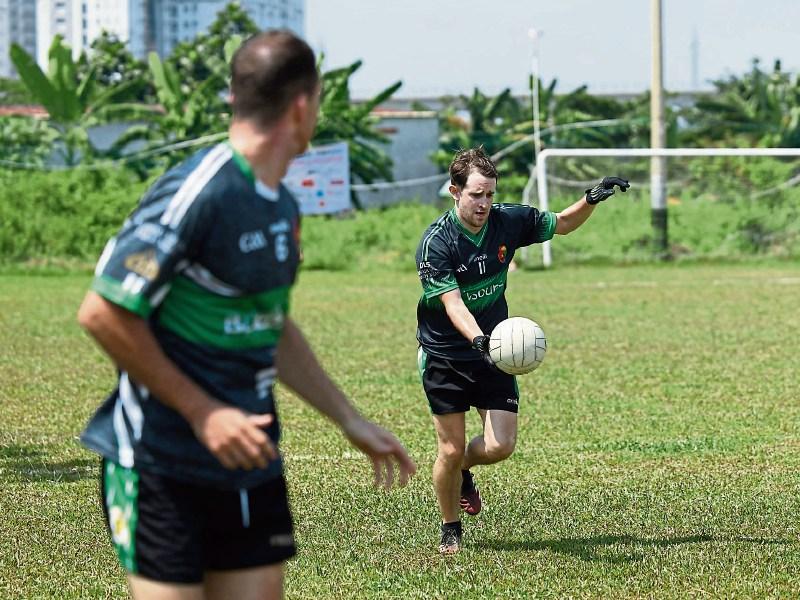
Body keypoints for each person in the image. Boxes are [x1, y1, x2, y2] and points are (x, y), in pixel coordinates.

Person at [77, 30, 416, 599]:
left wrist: (348, 418)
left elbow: (270, 324)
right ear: (303, 106)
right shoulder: (200, 191)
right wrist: (204, 412)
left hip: (250, 458)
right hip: (162, 461)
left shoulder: (282, 204)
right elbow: (103, 310)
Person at [415, 147, 628, 554]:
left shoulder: (508, 221)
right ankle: (450, 527)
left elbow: (562, 224)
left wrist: (591, 198)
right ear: (455, 192)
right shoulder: (436, 243)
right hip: (446, 355)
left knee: (500, 446)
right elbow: (453, 304)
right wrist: (478, 340)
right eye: (475, 194)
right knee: (450, 448)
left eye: (489, 194)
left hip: (495, 351)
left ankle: (462, 469)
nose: (483, 203)